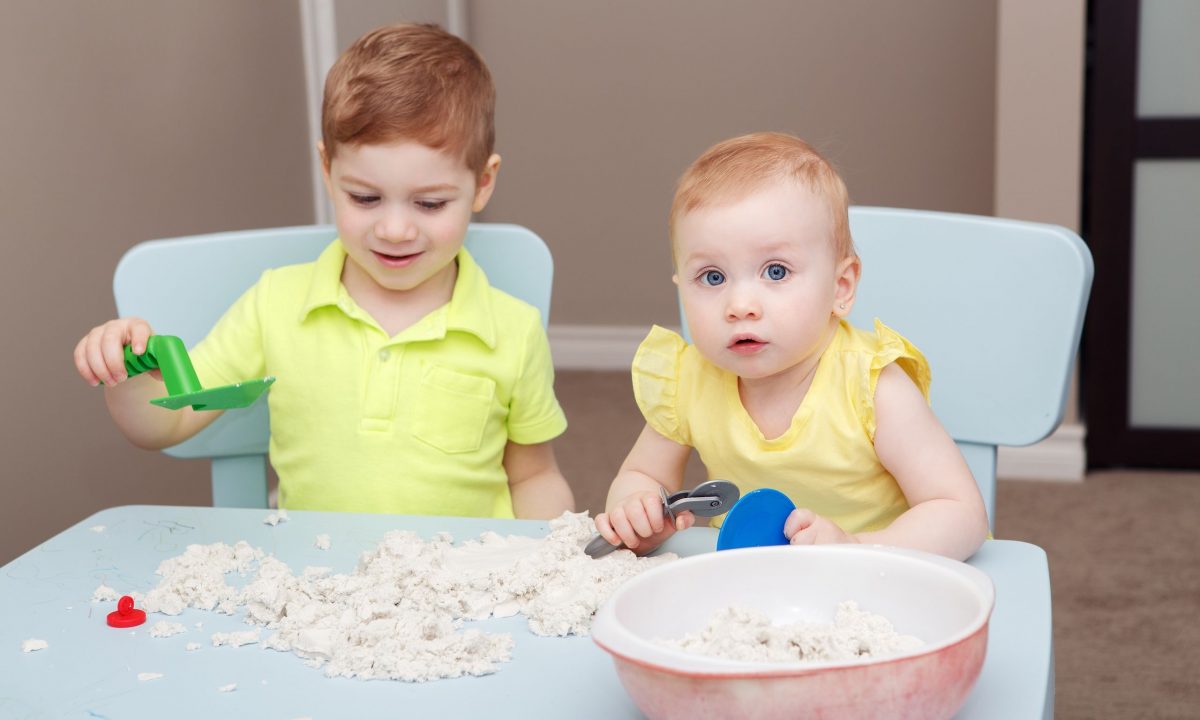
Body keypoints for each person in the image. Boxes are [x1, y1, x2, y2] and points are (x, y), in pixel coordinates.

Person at [72, 23, 574, 520]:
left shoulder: (512, 329)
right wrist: (129, 377)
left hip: (460, 585)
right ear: (328, 169)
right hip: (319, 581)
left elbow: (533, 475)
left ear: (482, 183)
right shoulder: (276, 303)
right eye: (365, 197)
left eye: (429, 203)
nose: (395, 229)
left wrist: (545, 554)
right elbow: (170, 420)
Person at [593, 132, 988, 560]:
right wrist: (639, 510)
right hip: (744, 583)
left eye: (776, 272)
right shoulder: (689, 378)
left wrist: (857, 546)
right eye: (712, 277)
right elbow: (642, 474)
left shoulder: (872, 387)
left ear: (840, 287)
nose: (739, 306)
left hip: (867, 581)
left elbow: (960, 513)